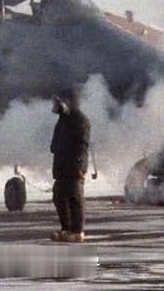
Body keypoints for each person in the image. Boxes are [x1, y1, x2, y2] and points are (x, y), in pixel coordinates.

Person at [49, 86, 90, 242]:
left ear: (69, 101)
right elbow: (55, 143)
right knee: (59, 197)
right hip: (62, 166)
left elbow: (82, 146)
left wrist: (79, 167)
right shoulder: (63, 120)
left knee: (75, 198)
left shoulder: (80, 120)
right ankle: (66, 229)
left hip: (73, 166)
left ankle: (77, 231)